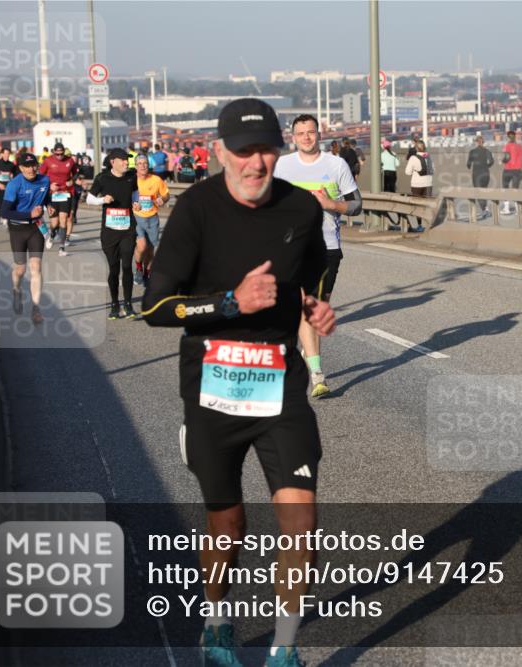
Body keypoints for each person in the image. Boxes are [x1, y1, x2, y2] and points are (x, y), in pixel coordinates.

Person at [142, 98, 335, 667]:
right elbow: (155, 308)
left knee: (302, 522)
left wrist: (315, 307)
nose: (256, 163)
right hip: (212, 386)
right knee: (228, 526)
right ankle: (217, 623)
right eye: (244, 151)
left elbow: (310, 276)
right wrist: (230, 302)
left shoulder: (301, 208)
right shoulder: (196, 209)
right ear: (220, 152)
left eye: (266, 150)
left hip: (279, 385)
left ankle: (284, 648)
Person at [274, 114, 361, 399]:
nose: (306, 138)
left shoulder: (336, 165)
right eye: (301, 133)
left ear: (319, 135)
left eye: (311, 132)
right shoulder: (282, 166)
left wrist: (330, 204)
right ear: (293, 137)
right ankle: (317, 375)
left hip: (327, 248)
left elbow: (357, 205)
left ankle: (308, 350)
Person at [87, 148, 139, 320]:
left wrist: (136, 203)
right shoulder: (102, 178)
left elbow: (135, 194)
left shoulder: (132, 176)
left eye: (127, 160)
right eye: (123, 160)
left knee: (127, 266)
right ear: (113, 162)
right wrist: (103, 200)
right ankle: (115, 304)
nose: (126, 162)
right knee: (114, 268)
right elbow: (89, 199)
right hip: (109, 231)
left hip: (128, 229)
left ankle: (128, 304)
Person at [0, 153, 50, 323]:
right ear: (20, 168)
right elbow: (4, 212)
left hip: (36, 228)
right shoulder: (14, 185)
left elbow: (46, 197)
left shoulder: (45, 180)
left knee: (36, 267)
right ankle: (16, 289)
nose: (31, 169)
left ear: (37, 165)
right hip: (17, 229)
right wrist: (29, 214)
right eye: (27, 166)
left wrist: (50, 206)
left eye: (33, 165)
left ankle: (36, 308)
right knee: (20, 270)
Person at [132, 154, 170, 286]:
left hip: (152, 218)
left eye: (145, 163)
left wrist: (162, 199)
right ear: (136, 166)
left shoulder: (156, 180)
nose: (143, 166)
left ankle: (147, 273)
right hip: (137, 217)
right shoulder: (132, 180)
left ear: (148, 165)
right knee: (142, 246)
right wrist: (132, 204)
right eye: (140, 163)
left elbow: (166, 195)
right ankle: (138, 268)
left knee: (150, 250)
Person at [39, 142, 78, 256]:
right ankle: (51, 235)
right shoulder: (48, 161)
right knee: (54, 223)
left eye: (61, 154)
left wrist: (72, 181)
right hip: (52, 194)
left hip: (65, 193)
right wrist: (49, 185)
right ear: (53, 152)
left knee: (64, 219)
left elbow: (76, 174)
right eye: (57, 154)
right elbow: (40, 176)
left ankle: (62, 248)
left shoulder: (70, 161)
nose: (60, 156)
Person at [405, 139, 433, 232]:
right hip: (428, 184)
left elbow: (407, 172)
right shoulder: (429, 157)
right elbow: (433, 170)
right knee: (427, 205)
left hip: (417, 184)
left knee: (417, 206)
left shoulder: (413, 158)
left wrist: (415, 170)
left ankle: (420, 225)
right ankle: (429, 225)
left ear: (416, 148)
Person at [466, 134, 494, 219]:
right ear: (483, 142)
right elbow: (491, 161)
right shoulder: (487, 151)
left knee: (478, 192)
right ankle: (485, 209)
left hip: (477, 174)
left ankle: (485, 210)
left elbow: (468, 164)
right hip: (486, 173)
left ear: (476, 142)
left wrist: (470, 165)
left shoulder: (472, 152)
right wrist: (486, 166)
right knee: (484, 191)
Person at [0, 147, 18, 226]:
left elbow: (15, 175)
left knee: (7, 204)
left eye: (8, 154)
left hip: (7, 188)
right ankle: (1, 215)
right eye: (5, 153)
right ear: (2, 154)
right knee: (1, 204)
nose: (6, 155)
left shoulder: (11, 165)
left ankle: (4, 217)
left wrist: (12, 177)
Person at [500, 130, 522, 215]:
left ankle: (507, 209)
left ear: (508, 137)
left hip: (508, 170)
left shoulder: (507, 145)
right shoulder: (519, 146)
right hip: (518, 171)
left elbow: (507, 157)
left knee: (505, 188)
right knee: (515, 190)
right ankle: (518, 210)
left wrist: (502, 161)